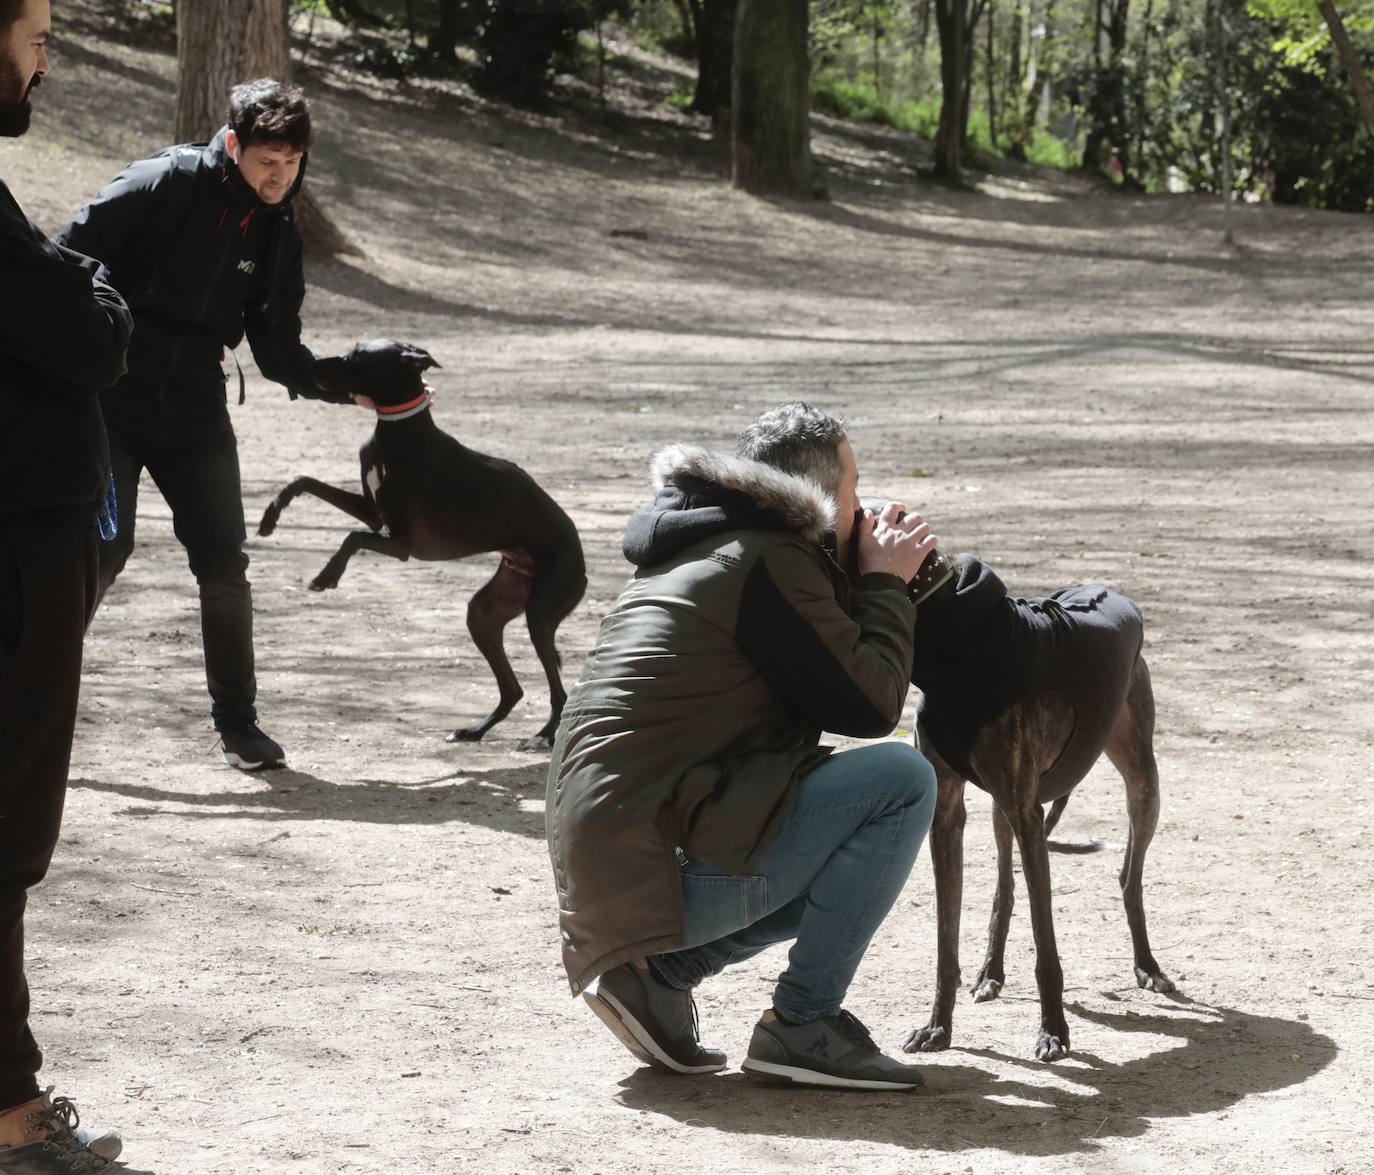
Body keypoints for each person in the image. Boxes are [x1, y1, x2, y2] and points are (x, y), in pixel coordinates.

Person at [546, 403, 942, 1089]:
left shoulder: (700, 545)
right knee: (901, 780)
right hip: (651, 867)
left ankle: (661, 972)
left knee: (841, 846)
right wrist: (885, 581)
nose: (862, 510)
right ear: (819, 497)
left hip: (613, 870)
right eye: (854, 492)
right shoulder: (770, 559)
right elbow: (873, 703)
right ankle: (803, 1023)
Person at [56, 77, 354, 772]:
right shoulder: (162, 181)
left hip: (195, 409)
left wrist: (347, 387)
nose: (279, 178)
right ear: (232, 144)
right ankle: (26, 696)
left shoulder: (280, 230)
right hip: (111, 397)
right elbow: (67, 258)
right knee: (103, 550)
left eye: (291, 164)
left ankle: (240, 727)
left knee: (224, 566)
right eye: (265, 163)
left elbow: (277, 346)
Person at [0, 0, 134, 1168]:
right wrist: (89, 278)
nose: (46, 60)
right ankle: (9, 1111)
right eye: (35, 34)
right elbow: (90, 335)